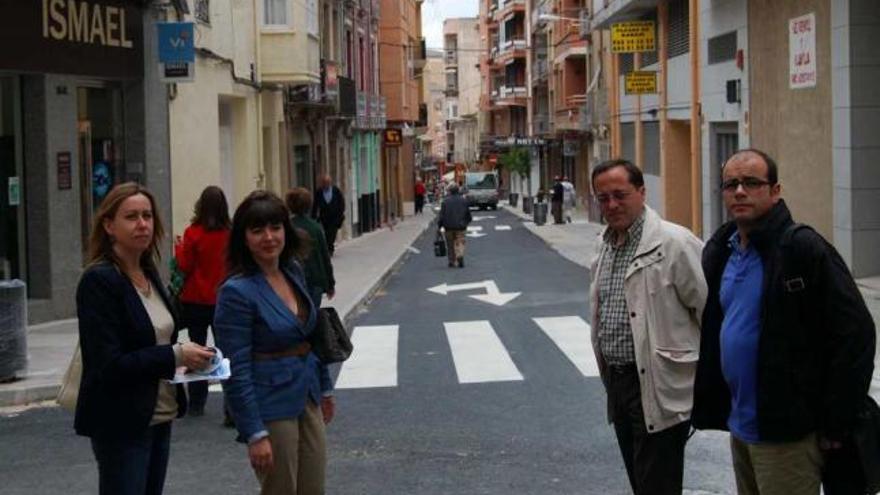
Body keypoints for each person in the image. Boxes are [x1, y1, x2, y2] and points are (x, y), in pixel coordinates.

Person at [692, 149, 876, 495]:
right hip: (741, 425)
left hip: (788, 431)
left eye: (751, 182)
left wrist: (836, 422)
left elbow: (857, 335)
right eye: (731, 184)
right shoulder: (722, 250)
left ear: (775, 191)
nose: (740, 191)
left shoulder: (801, 249)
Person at [75, 182, 215, 495]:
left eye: (148, 216)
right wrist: (175, 355)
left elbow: (155, 342)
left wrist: (189, 362)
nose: (143, 224)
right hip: (122, 421)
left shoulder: (149, 271)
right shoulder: (100, 281)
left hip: (159, 414)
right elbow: (108, 364)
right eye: (132, 217)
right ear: (109, 226)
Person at [588, 159, 707, 495]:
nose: (611, 205)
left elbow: (710, 312)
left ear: (642, 192)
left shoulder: (675, 244)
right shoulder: (605, 244)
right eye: (603, 198)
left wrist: (705, 381)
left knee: (657, 482)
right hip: (618, 382)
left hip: (660, 381)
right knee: (640, 479)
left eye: (620, 195)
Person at [214, 190, 335, 495]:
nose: (269, 237)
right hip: (271, 403)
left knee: (313, 488)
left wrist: (325, 387)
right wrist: (254, 432)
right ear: (243, 238)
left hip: (306, 393)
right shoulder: (236, 292)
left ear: (286, 230)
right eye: (257, 230)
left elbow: (310, 336)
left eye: (276, 227)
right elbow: (234, 368)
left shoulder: (292, 271)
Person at [174, 185, 231, 418]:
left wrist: (179, 248)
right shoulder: (231, 233)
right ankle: (231, 406)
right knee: (227, 351)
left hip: (196, 298)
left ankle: (197, 402)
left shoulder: (193, 233)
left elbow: (184, 266)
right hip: (224, 299)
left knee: (197, 351)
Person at [286, 187, 336, 307]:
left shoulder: (286, 227)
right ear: (309, 205)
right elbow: (325, 256)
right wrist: (330, 284)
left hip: (292, 280)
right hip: (315, 280)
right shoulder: (315, 228)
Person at [438, 183, 472, 268]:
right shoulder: (464, 200)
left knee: (450, 244)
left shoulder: (445, 201)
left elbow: (442, 215)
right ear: (458, 190)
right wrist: (466, 222)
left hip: (448, 226)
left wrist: (440, 226)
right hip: (460, 226)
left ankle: (451, 261)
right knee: (460, 241)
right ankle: (459, 254)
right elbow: (468, 214)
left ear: (449, 191)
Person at [312, 175, 345, 256]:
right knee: (327, 233)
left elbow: (341, 202)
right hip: (324, 217)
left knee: (332, 233)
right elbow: (315, 204)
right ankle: (329, 248)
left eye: (327, 183)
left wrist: (341, 213)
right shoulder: (319, 192)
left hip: (335, 217)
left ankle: (330, 248)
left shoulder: (335, 190)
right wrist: (313, 216)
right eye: (323, 183)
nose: (325, 185)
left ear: (330, 183)